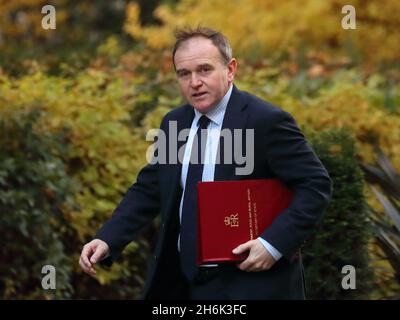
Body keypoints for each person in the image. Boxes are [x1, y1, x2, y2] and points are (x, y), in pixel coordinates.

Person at [79, 26, 332, 300]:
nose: (194, 82)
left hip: (252, 285)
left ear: (231, 69)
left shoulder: (266, 121)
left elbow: (315, 185)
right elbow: (149, 189)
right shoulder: (174, 123)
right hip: (182, 285)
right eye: (184, 74)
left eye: (204, 70)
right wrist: (107, 238)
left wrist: (272, 244)